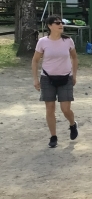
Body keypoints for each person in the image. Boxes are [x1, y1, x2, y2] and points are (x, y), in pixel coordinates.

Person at [31, 15, 79, 148]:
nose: (61, 25)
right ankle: (53, 136)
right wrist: (35, 79)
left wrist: (74, 75)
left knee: (65, 109)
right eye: (57, 23)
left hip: (65, 77)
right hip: (47, 78)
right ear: (49, 26)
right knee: (50, 108)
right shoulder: (42, 42)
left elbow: (74, 58)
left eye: (61, 23)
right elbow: (35, 60)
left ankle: (72, 124)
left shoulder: (68, 41)